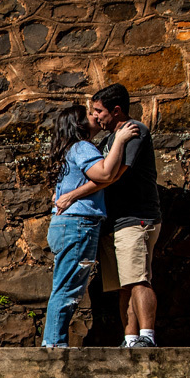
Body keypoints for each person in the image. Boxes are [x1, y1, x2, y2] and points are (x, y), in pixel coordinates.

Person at [57, 83, 162, 348]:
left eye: (99, 111)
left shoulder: (134, 131)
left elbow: (111, 177)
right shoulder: (108, 140)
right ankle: (130, 339)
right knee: (123, 284)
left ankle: (147, 338)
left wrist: (73, 195)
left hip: (135, 217)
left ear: (115, 111)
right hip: (114, 222)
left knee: (138, 278)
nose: (95, 116)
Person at [42, 104, 137, 348]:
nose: (95, 115)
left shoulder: (68, 150)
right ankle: (53, 347)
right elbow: (104, 174)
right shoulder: (82, 147)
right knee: (67, 290)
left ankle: (53, 344)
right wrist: (121, 140)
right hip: (78, 224)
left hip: (67, 225)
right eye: (89, 114)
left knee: (64, 286)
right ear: (79, 124)